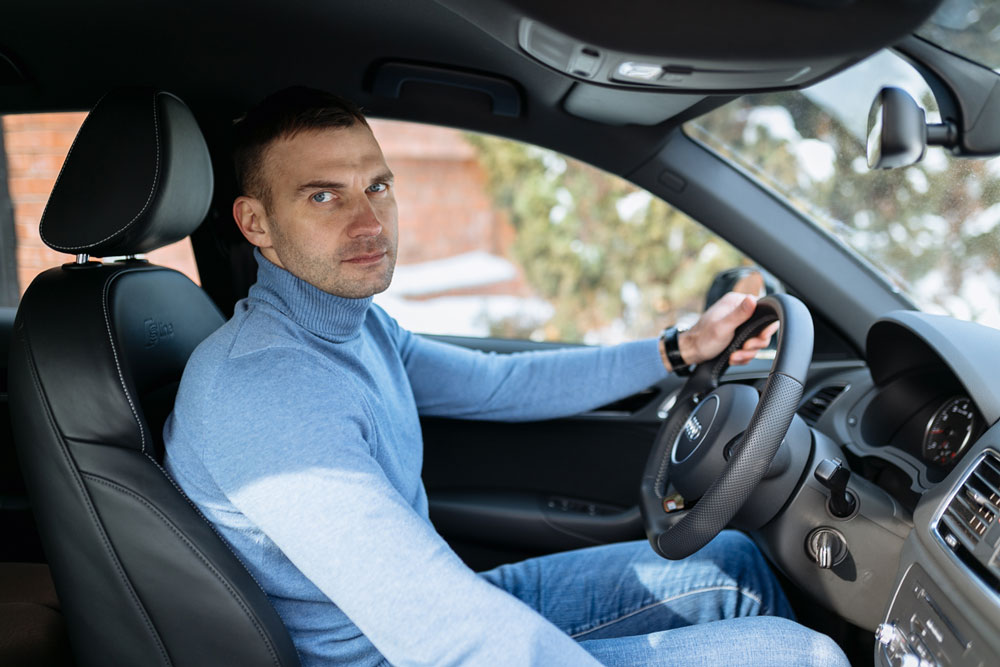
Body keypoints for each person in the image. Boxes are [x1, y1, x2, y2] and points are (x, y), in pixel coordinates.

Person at [163, 87, 848, 667]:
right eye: (323, 196)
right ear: (256, 223)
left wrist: (679, 349)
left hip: (430, 619)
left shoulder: (354, 327)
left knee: (731, 563)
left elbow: (499, 385)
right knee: (800, 657)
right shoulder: (263, 390)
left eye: (377, 186)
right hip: (393, 652)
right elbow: (439, 629)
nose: (370, 221)